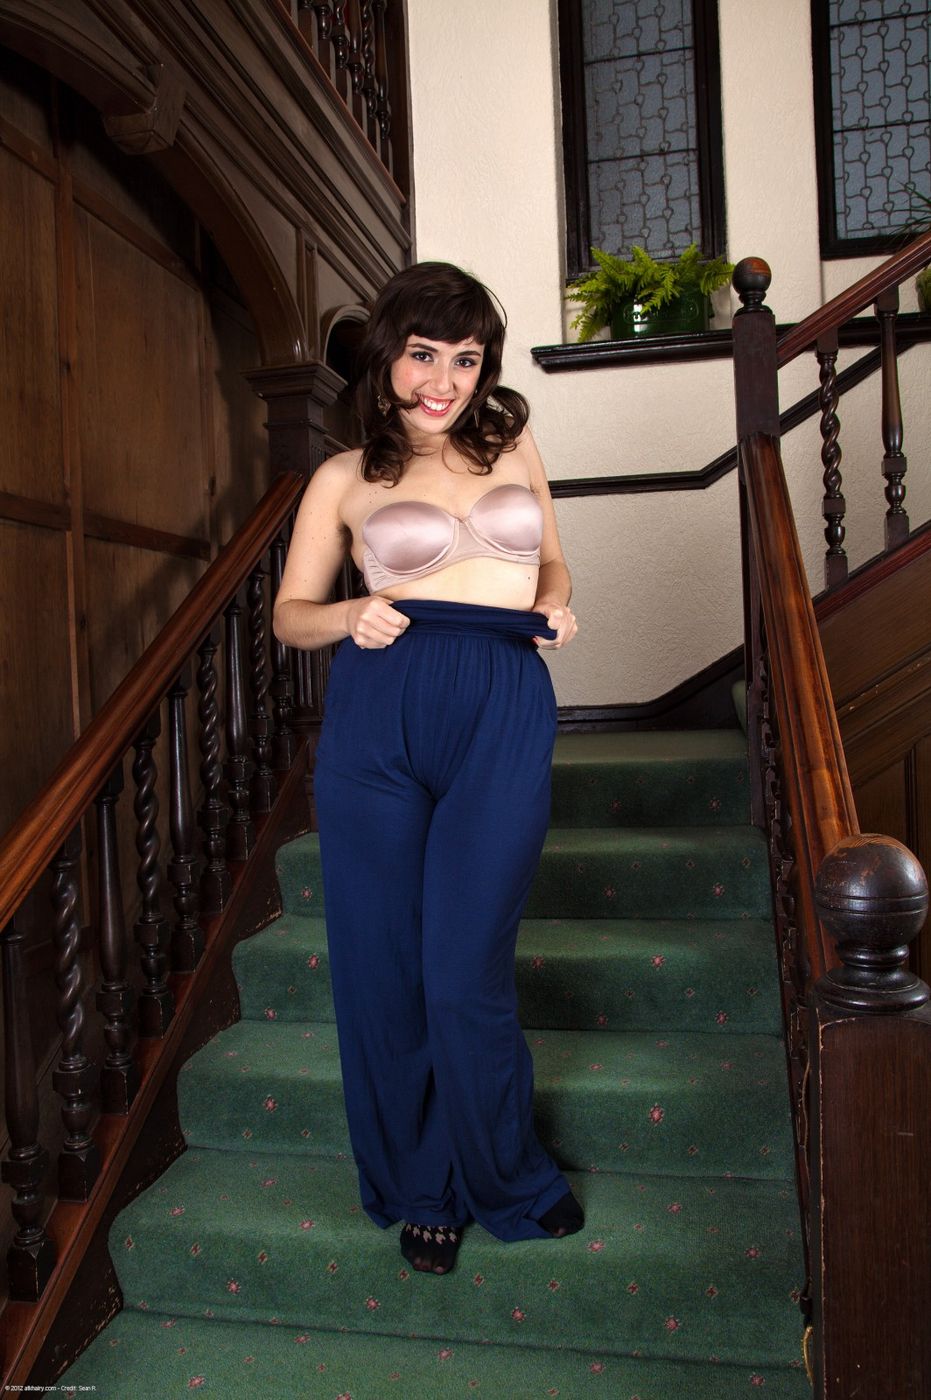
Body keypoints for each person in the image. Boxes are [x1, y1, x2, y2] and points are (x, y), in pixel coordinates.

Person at [273, 261, 582, 1276]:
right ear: (386, 357)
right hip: (380, 714)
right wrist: (347, 613)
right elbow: (289, 616)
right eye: (422, 355)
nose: (443, 380)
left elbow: (551, 560)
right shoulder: (340, 477)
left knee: (462, 972)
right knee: (385, 968)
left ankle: (508, 1173)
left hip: (501, 702)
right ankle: (422, 1186)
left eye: (466, 358)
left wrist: (556, 601)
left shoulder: (512, 443)